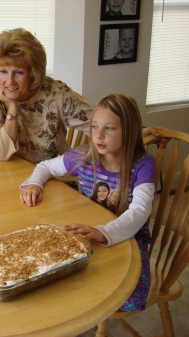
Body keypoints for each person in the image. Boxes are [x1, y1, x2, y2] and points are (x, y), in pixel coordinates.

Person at [20, 93, 156, 312]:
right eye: (94, 127)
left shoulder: (142, 165)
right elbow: (45, 167)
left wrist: (105, 232)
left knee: (129, 302)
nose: (98, 135)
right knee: (57, 287)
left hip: (127, 236)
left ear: (129, 131)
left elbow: (140, 212)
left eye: (109, 128)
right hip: (87, 232)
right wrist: (35, 184)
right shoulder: (84, 157)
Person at [0, 28, 165, 165]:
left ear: (32, 72)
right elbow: (0, 153)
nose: (10, 82)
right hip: (10, 175)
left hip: (55, 178)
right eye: (4, 72)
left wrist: (141, 132)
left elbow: (96, 125)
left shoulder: (57, 93)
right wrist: (13, 108)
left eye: (18, 73)